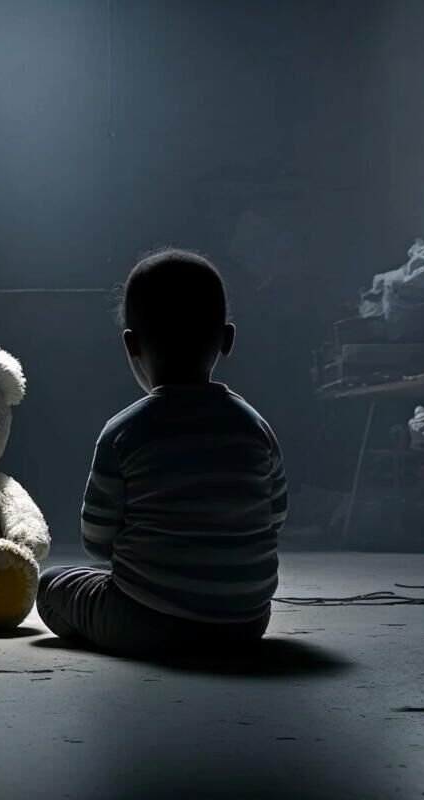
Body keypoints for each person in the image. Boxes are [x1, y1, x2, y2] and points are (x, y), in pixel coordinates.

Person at [35, 248, 287, 655]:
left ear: (131, 344)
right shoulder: (255, 427)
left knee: (50, 585)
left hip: (143, 621)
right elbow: (275, 517)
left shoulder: (122, 432)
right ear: (227, 339)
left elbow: (97, 543)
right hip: (245, 623)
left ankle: (143, 628)